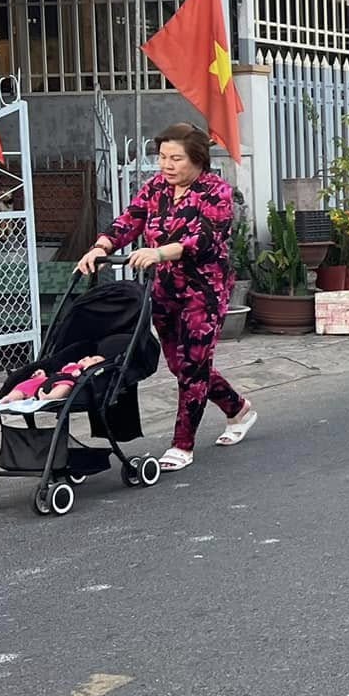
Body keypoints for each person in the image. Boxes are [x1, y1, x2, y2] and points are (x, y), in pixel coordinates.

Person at [78, 122, 255, 472]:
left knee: (193, 366)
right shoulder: (156, 187)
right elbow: (131, 219)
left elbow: (204, 239)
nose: (166, 165)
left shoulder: (216, 192)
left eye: (176, 158)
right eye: (162, 157)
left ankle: (182, 444)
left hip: (204, 290)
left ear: (197, 159)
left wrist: (159, 252)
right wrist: (101, 247)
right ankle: (237, 409)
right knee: (178, 364)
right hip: (165, 288)